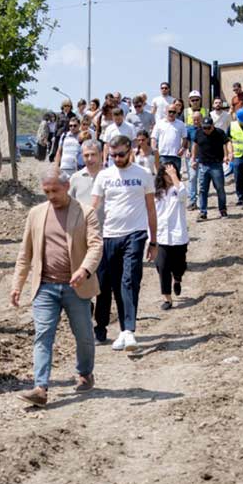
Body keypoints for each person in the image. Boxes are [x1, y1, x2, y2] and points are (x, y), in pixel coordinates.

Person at [12, 167, 103, 407]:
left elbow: (95, 246)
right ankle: (40, 387)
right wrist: (17, 284)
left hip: (76, 287)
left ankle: (85, 372)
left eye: (55, 190)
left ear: (67, 187)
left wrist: (84, 270)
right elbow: (25, 253)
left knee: (83, 335)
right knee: (43, 335)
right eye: (46, 191)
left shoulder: (85, 213)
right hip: (45, 287)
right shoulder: (36, 214)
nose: (51, 195)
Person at [91, 135, 158, 352]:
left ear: (130, 150)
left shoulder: (143, 175)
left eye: (121, 154)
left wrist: (154, 240)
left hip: (135, 234)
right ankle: (106, 328)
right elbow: (94, 208)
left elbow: (151, 209)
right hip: (109, 235)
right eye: (113, 155)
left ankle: (128, 330)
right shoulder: (104, 176)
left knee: (129, 280)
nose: (117, 159)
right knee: (107, 285)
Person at [72, 140, 111, 344]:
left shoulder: (110, 177)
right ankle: (87, 315)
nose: (89, 159)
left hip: (106, 237)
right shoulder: (76, 179)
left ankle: (101, 326)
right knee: (82, 282)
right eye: (85, 155)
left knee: (104, 285)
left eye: (92, 154)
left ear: (100, 154)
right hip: (82, 240)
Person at [153, 162, 189, 311]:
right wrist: (151, 238)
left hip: (177, 235)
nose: (168, 176)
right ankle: (167, 298)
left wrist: (174, 176)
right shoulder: (157, 193)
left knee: (179, 265)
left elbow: (183, 195)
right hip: (161, 236)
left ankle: (178, 277)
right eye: (166, 173)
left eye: (171, 173)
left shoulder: (178, 188)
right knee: (162, 266)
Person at [191, 115, 230, 220]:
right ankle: (203, 212)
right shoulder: (198, 133)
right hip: (203, 165)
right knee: (203, 190)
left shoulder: (219, 133)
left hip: (216, 165)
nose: (206, 130)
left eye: (208, 127)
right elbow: (195, 145)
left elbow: (227, 143)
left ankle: (223, 210)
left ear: (213, 126)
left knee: (220, 188)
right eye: (204, 128)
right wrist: (193, 159)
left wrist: (228, 154)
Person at [151, 103, 187, 176]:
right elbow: (154, 138)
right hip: (163, 156)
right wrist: (154, 149)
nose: (171, 114)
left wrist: (182, 148)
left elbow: (185, 138)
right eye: (170, 111)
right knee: (163, 179)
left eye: (174, 112)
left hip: (176, 156)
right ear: (166, 111)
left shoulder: (181, 124)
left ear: (176, 113)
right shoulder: (159, 123)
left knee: (176, 179)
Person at [184, 111, 205, 209]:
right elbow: (187, 141)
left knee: (202, 180)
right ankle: (192, 201)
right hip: (192, 157)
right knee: (192, 178)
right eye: (194, 119)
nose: (196, 121)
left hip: (202, 157)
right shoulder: (189, 129)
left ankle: (201, 202)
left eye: (198, 119)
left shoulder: (206, 128)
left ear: (201, 119)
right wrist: (187, 150)